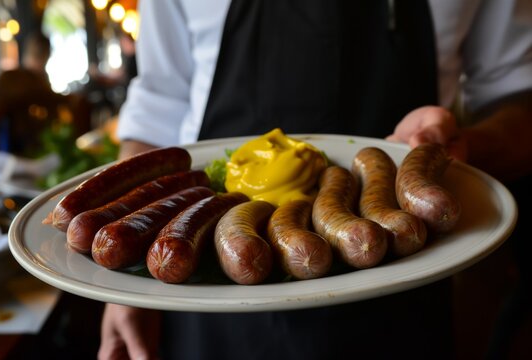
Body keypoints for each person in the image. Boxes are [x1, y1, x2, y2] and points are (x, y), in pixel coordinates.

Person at [98, 1, 532, 359]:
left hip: (401, 283)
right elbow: (157, 110)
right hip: (204, 288)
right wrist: (125, 285)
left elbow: (519, 103)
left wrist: (451, 149)